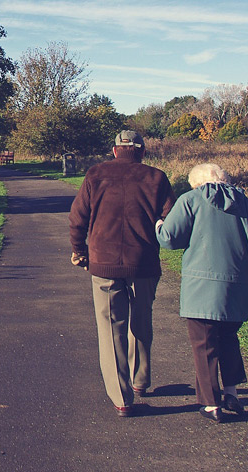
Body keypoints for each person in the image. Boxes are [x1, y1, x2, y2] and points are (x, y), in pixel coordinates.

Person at [155, 163, 248, 423]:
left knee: (204, 343)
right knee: (229, 337)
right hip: (238, 288)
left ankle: (211, 404)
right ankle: (231, 392)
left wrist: (158, 225)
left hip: (200, 289)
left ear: (197, 183)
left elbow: (169, 238)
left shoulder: (190, 200)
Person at [68, 130, 175, 417]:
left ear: (115, 150)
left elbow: (77, 217)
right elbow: (170, 219)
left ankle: (122, 398)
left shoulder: (95, 174)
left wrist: (79, 250)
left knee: (110, 329)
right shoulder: (157, 178)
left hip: (104, 263)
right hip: (144, 263)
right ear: (142, 151)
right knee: (141, 321)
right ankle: (140, 381)